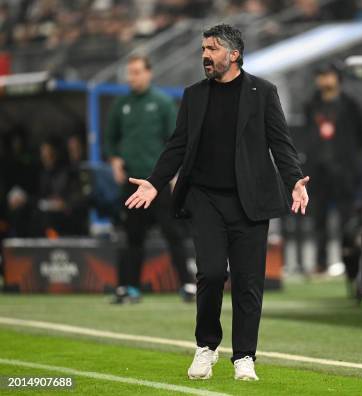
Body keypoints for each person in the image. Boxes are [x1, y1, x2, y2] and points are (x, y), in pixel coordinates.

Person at [124, 24, 309, 381]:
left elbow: (280, 144)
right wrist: (155, 182)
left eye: (212, 49)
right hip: (206, 198)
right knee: (210, 273)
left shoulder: (263, 92)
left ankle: (244, 357)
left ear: (233, 54)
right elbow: (177, 145)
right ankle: (206, 347)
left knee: (248, 282)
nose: (205, 55)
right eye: (203, 49)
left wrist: (294, 182)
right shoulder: (193, 95)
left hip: (250, 201)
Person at [104, 54, 194, 304]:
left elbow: (176, 141)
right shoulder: (120, 105)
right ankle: (129, 288)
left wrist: (175, 175)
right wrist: (114, 160)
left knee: (173, 233)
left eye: (137, 71)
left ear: (149, 73)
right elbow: (110, 139)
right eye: (130, 72)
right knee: (132, 236)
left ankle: (187, 285)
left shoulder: (162, 103)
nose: (133, 77)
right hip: (132, 184)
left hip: (159, 183)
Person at [304, 62, 362, 273]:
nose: (324, 80)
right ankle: (320, 264)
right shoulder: (311, 105)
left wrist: (350, 158)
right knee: (318, 219)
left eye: (328, 75)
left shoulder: (350, 105)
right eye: (321, 75)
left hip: (344, 171)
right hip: (318, 170)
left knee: (347, 220)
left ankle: (349, 264)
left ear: (338, 78)